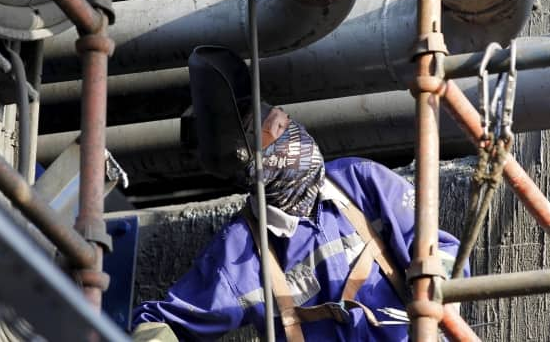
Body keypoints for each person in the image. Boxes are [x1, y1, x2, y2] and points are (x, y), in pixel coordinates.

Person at [131, 46, 466, 341]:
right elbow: (166, 323)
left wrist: (434, 303)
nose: (283, 123)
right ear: (251, 167)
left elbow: (443, 252)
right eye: (262, 127)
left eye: (278, 117)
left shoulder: (359, 182)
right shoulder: (240, 253)